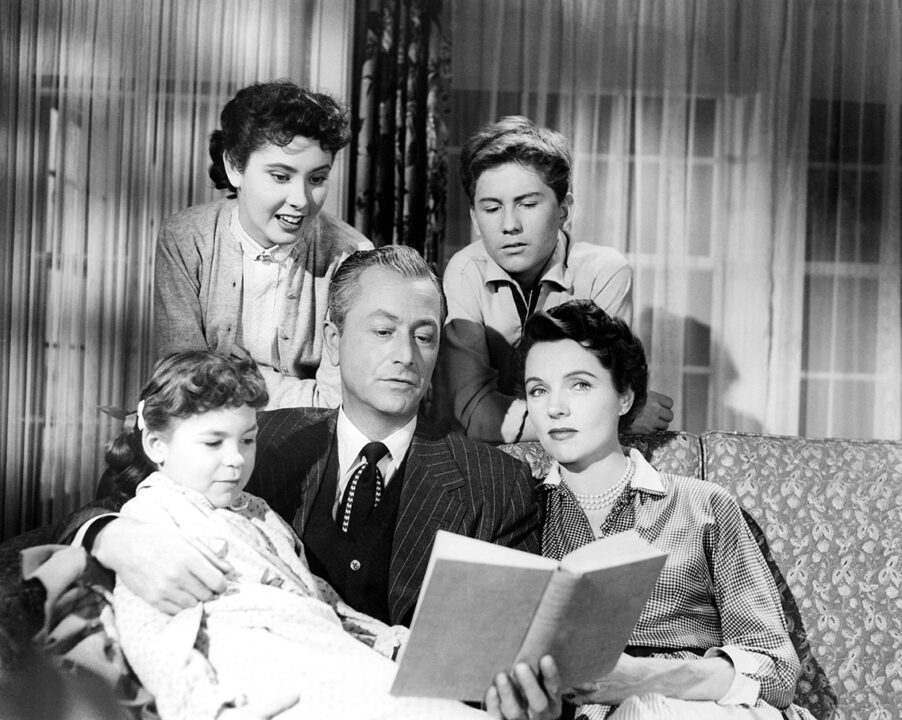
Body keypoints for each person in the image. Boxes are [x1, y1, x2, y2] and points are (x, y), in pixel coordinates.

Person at [66, 245, 541, 631]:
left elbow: (507, 640)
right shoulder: (254, 440)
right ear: (333, 341)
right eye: (382, 330)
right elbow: (104, 508)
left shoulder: (496, 484)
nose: (405, 355)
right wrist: (110, 536)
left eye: (424, 336)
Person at [106, 350, 485, 720]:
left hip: (317, 648)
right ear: (156, 445)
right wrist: (204, 707)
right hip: (258, 673)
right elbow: (148, 635)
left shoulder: (256, 510)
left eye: (247, 440)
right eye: (213, 442)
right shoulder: (150, 518)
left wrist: (389, 642)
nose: (236, 458)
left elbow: (321, 599)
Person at [485, 300, 814, 720]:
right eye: (538, 389)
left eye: (580, 384)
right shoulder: (521, 512)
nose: (555, 408)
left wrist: (645, 677)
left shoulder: (702, 505)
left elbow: (777, 671)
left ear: (624, 396)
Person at [438, 116, 673, 443]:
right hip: (485, 463)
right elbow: (475, 415)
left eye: (528, 204)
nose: (509, 225)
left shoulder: (604, 272)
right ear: (475, 219)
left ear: (564, 209)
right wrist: (621, 418)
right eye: (492, 208)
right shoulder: (464, 271)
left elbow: (603, 389)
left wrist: (605, 410)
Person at [154, 79, 371, 409]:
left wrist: (221, 378)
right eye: (281, 176)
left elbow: (336, 401)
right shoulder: (187, 238)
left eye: (317, 178)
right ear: (234, 167)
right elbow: (185, 382)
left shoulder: (354, 259)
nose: (300, 200)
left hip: (311, 447)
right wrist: (299, 392)